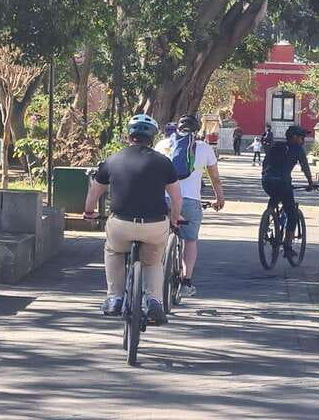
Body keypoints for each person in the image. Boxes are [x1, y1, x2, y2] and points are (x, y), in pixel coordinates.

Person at [83, 114, 182, 326]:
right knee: (153, 261)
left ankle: (114, 298)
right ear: (153, 138)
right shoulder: (163, 163)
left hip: (121, 224)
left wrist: (89, 212)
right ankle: (154, 300)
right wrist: (175, 218)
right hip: (155, 225)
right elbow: (176, 197)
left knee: (114, 251)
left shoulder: (113, 159)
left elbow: (94, 192)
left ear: (129, 136)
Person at [155, 114, 225, 297]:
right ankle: (186, 282)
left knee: (156, 236)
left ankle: (153, 277)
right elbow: (215, 178)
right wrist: (219, 199)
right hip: (190, 201)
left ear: (178, 128)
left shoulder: (163, 145)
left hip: (163, 199)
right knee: (190, 240)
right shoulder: (204, 148)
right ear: (197, 130)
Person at [261, 124, 318, 260]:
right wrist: (310, 183)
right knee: (292, 214)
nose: (303, 140)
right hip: (283, 183)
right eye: (301, 137)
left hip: (267, 181)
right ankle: (287, 247)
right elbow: (305, 167)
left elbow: (265, 162)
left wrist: (265, 175)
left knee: (274, 197)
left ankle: (267, 221)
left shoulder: (276, 146)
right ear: (294, 138)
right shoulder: (298, 150)